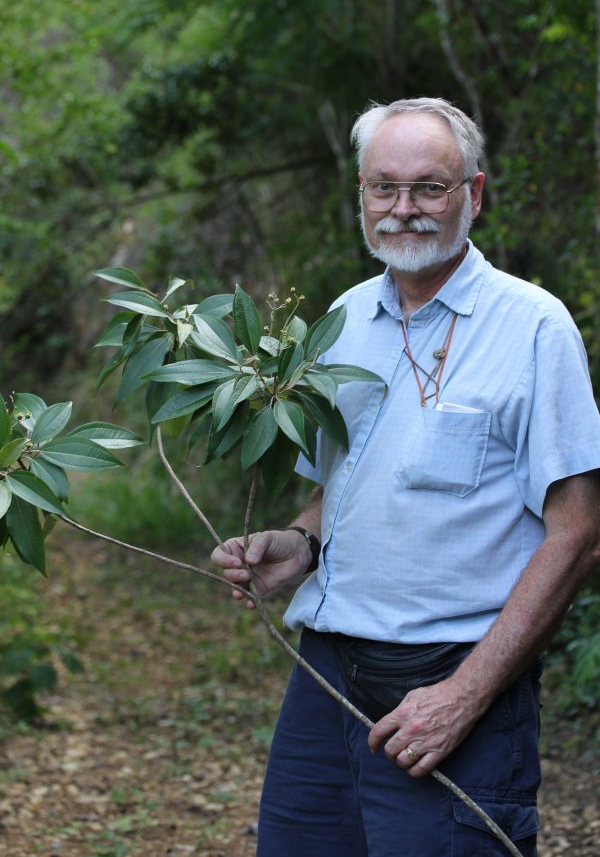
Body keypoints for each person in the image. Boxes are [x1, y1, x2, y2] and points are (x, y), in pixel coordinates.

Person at [211, 97, 600, 856]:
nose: (404, 209)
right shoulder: (344, 320)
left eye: (430, 187)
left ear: (473, 195)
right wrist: (298, 544)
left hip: (451, 682)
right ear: (360, 194)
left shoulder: (534, 326)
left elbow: (580, 535)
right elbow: (342, 488)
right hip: (325, 680)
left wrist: (467, 694)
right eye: (383, 187)